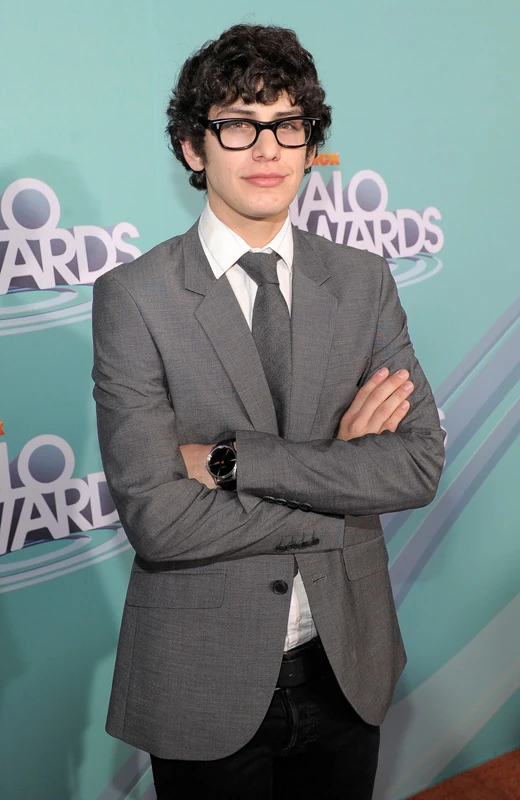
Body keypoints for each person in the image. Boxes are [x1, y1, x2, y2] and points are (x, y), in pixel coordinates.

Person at [92, 23, 445, 800]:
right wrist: (341, 481)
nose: (267, 149)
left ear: (310, 143)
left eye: (288, 125)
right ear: (193, 147)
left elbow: (417, 464)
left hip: (347, 663)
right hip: (201, 677)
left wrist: (232, 460)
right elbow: (159, 519)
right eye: (238, 125)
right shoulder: (135, 298)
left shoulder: (363, 281)